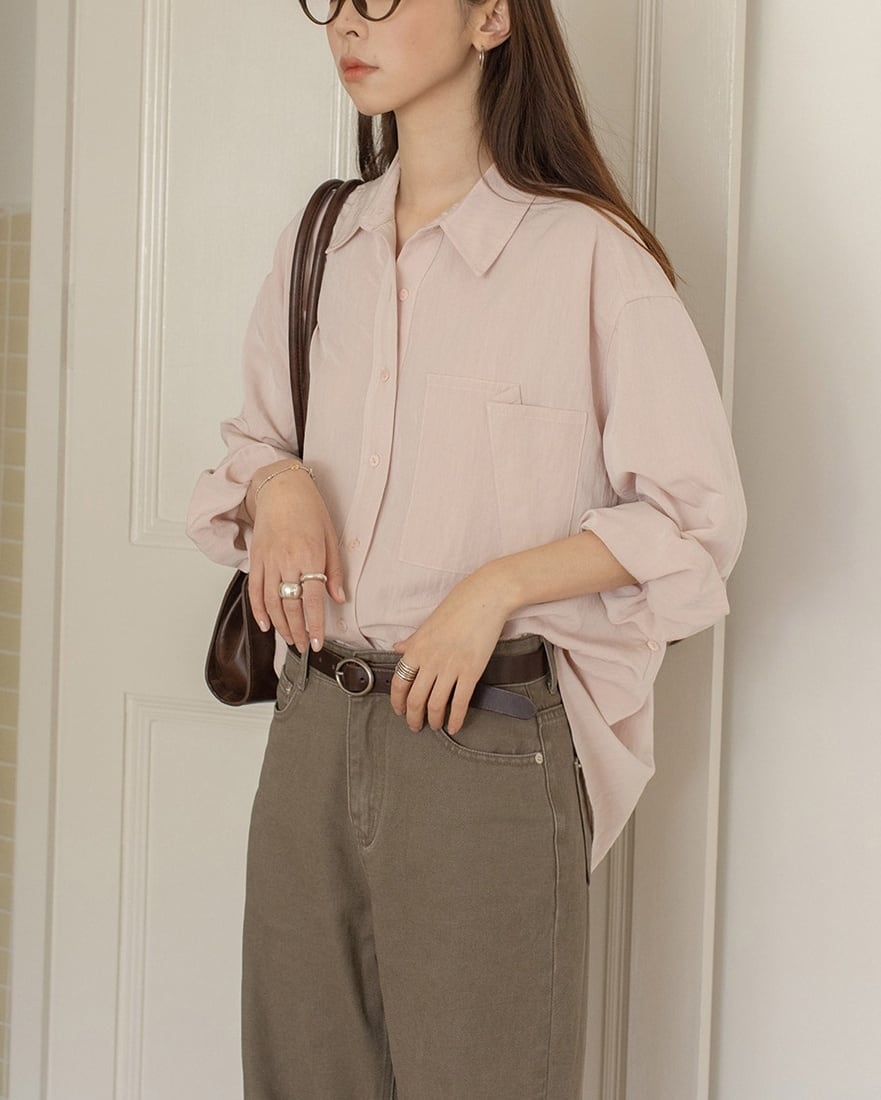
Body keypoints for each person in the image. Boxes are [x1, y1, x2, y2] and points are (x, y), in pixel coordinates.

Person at [186, 0, 748, 1095]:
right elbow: (253, 443)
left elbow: (694, 519)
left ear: (490, 16)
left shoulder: (590, 259)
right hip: (311, 727)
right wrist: (278, 481)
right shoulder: (322, 242)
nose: (347, 24)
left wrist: (495, 587)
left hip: (483, 734)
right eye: (334, 0)